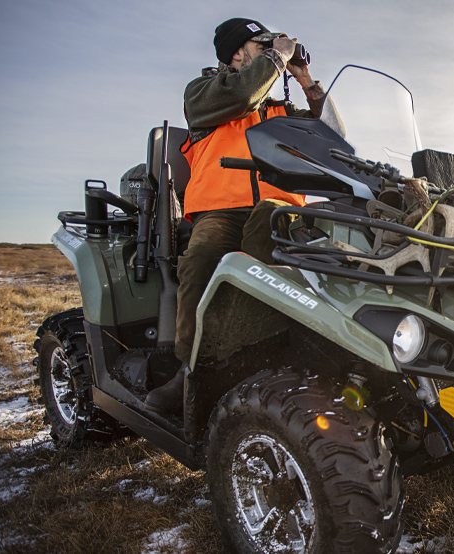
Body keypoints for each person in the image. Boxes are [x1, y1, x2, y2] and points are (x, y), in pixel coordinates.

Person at [145, 18, 326, 413]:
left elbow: (334, 135)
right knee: (203, 255)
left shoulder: (281, 110)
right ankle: (192, 369)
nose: (272, 51)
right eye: (261, 45)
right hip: (220, 210)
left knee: (271, 226)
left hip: (276, 206)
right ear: (236, 53)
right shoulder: (204, 93)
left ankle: (268, 353)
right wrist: (277, 56)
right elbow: (243, 94)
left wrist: (305, 79)